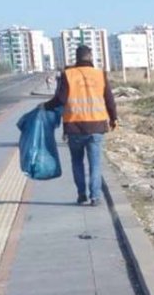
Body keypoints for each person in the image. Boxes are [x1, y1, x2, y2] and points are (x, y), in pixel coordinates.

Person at [45, 45, 118, 206]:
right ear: (90, 57)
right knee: (95, 164)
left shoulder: (68, 75)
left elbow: (60, 100)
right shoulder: (100, 74)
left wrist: (45, 106)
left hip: (74, 128)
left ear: (76, 58)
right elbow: (110, 101)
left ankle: (81, 194)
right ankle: (95, 197)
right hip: (96, 127)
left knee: (77, 162)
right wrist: (114, 119)